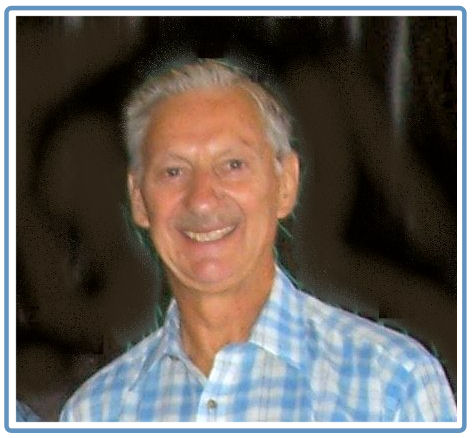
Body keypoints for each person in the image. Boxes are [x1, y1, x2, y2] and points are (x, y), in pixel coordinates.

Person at [59, 59, 456, 422]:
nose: (202, 199)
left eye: (233, 165)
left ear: (285, 185)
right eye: (173, 171)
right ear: (139, 200)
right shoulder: (95, 413)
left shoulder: (391, 387)